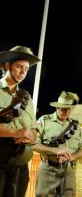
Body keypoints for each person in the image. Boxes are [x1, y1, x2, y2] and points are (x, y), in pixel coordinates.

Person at [0, 46, 41, 197]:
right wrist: (14, 132)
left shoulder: (26, 98)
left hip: (21, 165)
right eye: (19, 67)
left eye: (26, 69)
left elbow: (33, 128)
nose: (23, 73)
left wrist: (33, 135)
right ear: (7, 65)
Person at [32, 91, 82, 197]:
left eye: (69, 110)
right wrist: (56, 151)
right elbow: (33, 144)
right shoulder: (44, 121)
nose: (66, 113)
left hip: (68, 170)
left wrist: (72, 157)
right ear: (57, 108)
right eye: (63, 109)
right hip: (48, 169)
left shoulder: (75, 125)